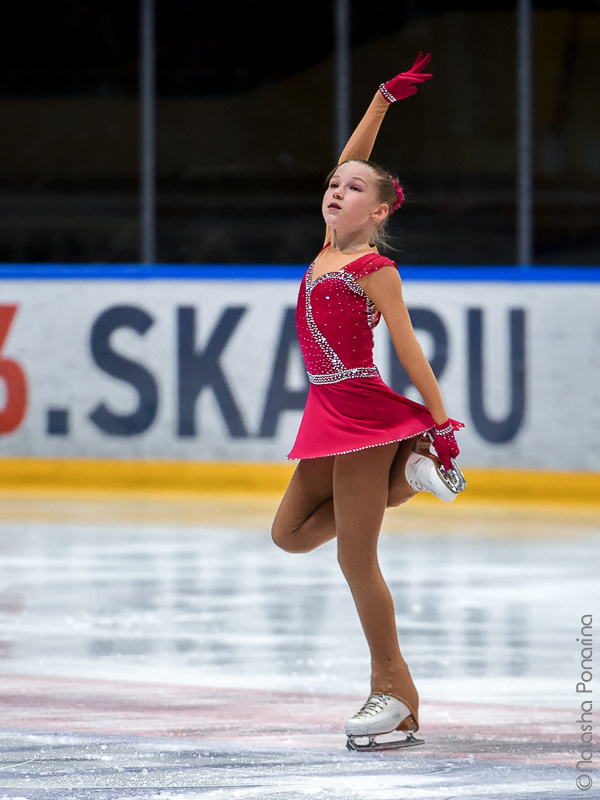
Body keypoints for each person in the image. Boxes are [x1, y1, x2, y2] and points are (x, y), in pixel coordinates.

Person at [271, 53, 465, 751]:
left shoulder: (371, 268)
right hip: (325, 412)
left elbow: (410, 349)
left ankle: (393, 693)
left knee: (356, 559)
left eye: (353, 190)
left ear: (379, 211)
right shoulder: (327, 246)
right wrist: (380, 101)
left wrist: (439, 423)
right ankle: (404, 476)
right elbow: (354, 164)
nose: (337, 189)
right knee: (289, 533)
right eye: (332, 184)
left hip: (362, 414)